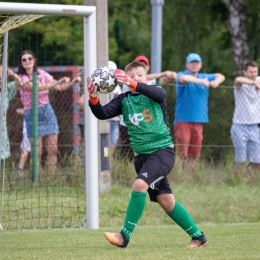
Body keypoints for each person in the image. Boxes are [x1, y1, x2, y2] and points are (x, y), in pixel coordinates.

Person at [87, 60, 208, 248]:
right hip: (142, 158)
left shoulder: (155, 93)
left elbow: (160, 93)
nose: (135, 79)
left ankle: (124, 236)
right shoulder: (123, 100)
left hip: (162, 153)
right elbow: (102, 113)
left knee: (139, 185)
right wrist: (93, 97)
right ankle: (199, 237)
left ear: (147, 78)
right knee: (167, 202)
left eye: (139, 75)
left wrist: (132, 82)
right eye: (131, 76)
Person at [17, 50, 81, 178]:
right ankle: (37, 179)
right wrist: (58, 81)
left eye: (30, 58)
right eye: (24, 59)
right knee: (37, 152)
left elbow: (59, 87)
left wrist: (73, 82)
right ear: (21, 63)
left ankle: (51, 179)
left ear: (34, 60)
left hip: (47, 111)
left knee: (52, 149)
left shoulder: (41, 73)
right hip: (32, 113)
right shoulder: (21, 78)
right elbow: (35, 87)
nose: (27, 61)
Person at [173, 53, 225, 174]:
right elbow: (183, 79)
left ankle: (190, 176)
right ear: (187, 64)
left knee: (194, 152)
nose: (194, 64)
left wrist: (216, 82)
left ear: (201, 64)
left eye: (197, 62)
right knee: (182, 151)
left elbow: (220, 76)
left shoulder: (204, 76)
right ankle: (178, 175)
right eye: (192, 62)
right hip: (183, 120)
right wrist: (202, 82)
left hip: (199, 120)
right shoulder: (183, 74)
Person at [119, 55, 177, 161]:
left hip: (143, 123)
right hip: (128, 122)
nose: (136, 76)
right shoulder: (128, 81)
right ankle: (124, 167)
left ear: (147, 67)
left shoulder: (148, 82)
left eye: (144, 64)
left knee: (143, 152)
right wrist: (162, 73)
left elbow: (161, 82)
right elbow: (140, 81)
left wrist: (170, 75)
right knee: (126, 150)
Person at [230, 61, 260, 178]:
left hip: (254, 126)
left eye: (255, 72)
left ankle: (249, 180)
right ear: (245, 72)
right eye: (250, 72)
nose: (253, 74)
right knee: (240, 158)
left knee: (256, 160)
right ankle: (236, 180)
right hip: (239, 126)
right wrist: (254, 83)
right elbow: (238, 80)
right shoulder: (241, 85)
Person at [0, 66, 22, 161]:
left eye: (2, 77)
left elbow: (20, 83)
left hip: (1, 128)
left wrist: (14, 75)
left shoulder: (7, 89)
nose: (1, 79)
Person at [107, 61, 122, 157]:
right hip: (105, 119)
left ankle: (109, 160)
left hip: (115, 120)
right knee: (104, 142)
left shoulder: (117, 88)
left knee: (113, 142)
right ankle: (104, 161)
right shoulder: (101, 86)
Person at [16, 108, 31, 177]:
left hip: (34, 131)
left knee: (25, 150)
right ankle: (20, 168)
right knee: (24, 150)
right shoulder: (28, 105)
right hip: (28, 131)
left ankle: (20, 168)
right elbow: (18, 110)